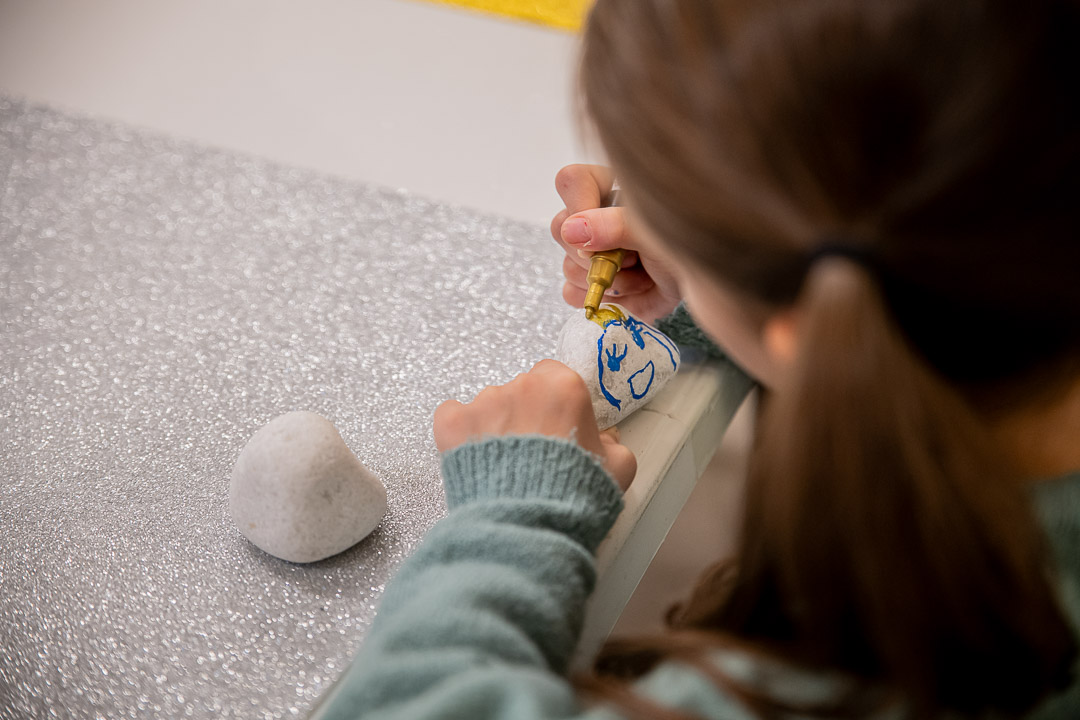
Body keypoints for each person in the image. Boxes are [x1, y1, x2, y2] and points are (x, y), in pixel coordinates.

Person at [321, 0, 1080, 717]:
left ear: (800, 330)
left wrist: (512, 519)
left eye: (662, 220)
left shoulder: (875, 678)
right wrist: (721, 286)